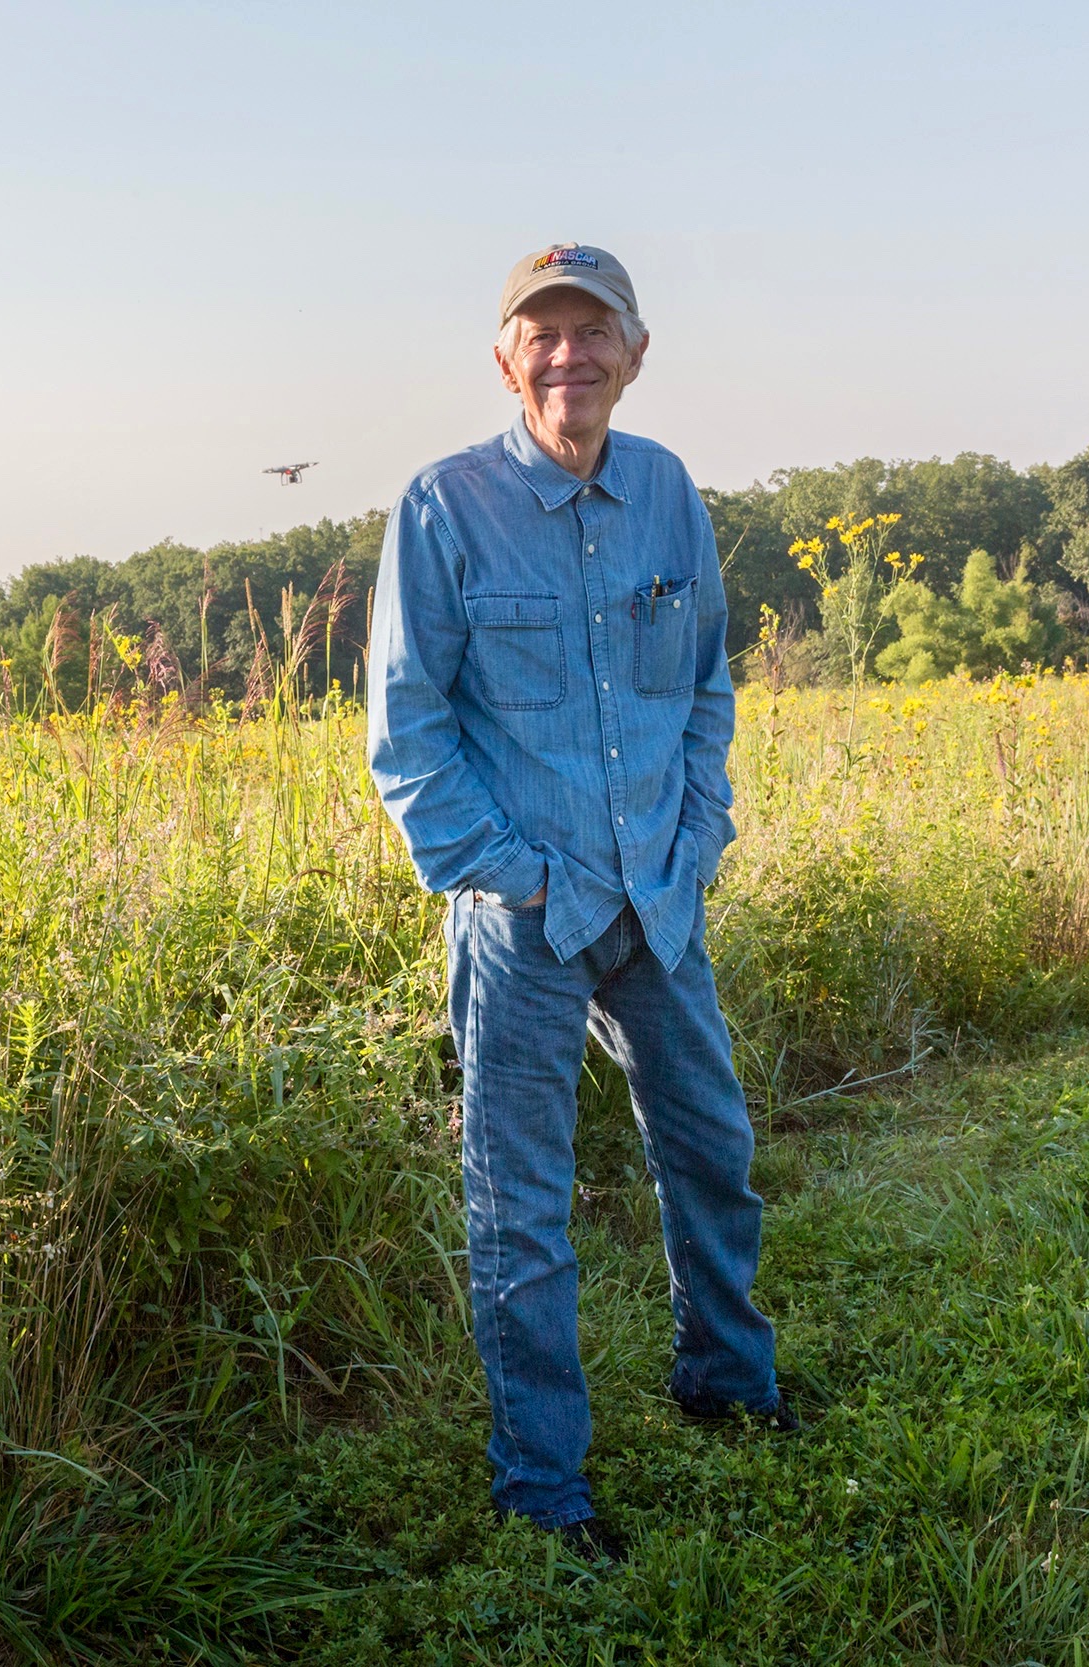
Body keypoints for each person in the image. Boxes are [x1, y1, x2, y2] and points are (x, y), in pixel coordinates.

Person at [366, 242, 793, 1561]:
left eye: (592, 331)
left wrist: (704, 828)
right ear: (507, 359)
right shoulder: (443, 509)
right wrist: (519, 871)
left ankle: (725, 1381)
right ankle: (542, 1486)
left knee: (711, 1151)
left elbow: (708, 677)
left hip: (660, 899)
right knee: (521, 1208)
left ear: (635, 352)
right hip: (526, 923)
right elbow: (408, 735)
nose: (569, 355)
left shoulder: (668, 491)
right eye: (541, 334)